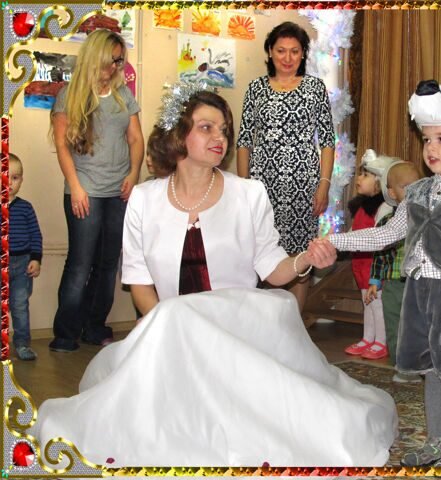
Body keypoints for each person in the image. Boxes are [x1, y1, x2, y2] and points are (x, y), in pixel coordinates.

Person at [33, 83, 397, 467]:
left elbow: (274, 270)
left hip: (237, 332)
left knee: (305, 428)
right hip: (172, 335)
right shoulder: (143, 198)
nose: (219, 138)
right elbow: (139, 284)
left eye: (224, 130)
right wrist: (165, 330)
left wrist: (305, 258)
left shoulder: (249, 194)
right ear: (179, 135)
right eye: (206, 128)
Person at [321, 80, 441, 467]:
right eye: (427, 139)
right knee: (430, 372)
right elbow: (387, 233)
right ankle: (435, 440)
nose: (431, 148)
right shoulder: (419, 191)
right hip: (419, 295)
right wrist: (336, 241)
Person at [49, 29, 144, 352]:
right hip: (84, 190)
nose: (114, 67)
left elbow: (136, 139)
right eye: (110, 60)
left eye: (119, 61)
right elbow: (62, 145)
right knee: (80, 263)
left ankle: (94, 327)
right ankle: (65, 334)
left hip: (119, 191)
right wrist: (75, 187)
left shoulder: (123, 95)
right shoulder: (69, 95)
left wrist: (134, 173)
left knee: (107, 263)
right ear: (94, 58)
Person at [237, 21, 336, 313]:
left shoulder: (315, 88)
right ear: (270, 51)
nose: (288, 57)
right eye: (281, 50)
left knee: (300, 255)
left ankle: (294, 326)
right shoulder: (255, 88)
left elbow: (327, 141)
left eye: (295, 51)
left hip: (303, 186)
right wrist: (243, 188)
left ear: (303, 53)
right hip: (262, 186)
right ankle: (262, 324)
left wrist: (324, 185)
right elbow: (244, 141)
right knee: (259, 255)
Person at [364, 161, 422, 382]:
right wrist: (374, 281)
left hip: (417, 283)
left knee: (416, 324)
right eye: (406, 187)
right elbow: (379, 254)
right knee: (394, 322)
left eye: (417, 185)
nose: (413, 191)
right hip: (393, 284)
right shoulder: (388, 222)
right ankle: (401, 364)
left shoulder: (424, 219)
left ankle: (420, 363)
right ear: (392, 192)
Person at [344, 150, 395, 360]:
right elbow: (354, 231)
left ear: (379, 181)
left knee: (377, 304)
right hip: (360, 263)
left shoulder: (383, 207)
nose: (359, 178)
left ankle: (381, 342)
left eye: (365, 175)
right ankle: (368, 338)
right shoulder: (361, 207)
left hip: (374, 265)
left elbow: (380, 236)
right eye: (360, 173)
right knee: (367, 303)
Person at [8, 153, 42, 361]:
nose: (9, 183)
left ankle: (22, 344)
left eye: (15, 177)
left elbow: (35, 235)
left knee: (20, 306)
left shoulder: (25, 208)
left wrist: (36, 259)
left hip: (22, 264)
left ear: (21, 180)